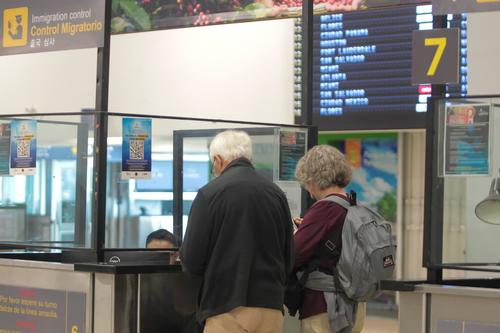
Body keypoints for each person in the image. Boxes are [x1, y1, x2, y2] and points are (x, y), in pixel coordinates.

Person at [180, 130, 293, 333]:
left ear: (218, 159)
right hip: (270, 306)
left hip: (225, 307)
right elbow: (288, 256)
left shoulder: (209, 194)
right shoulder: (276, 194)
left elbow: (191, 258)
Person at [293, 145, 360, 333]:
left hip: (326, 308)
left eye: (306, 181)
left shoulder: (324, 209)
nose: (307, 188)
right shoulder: (350, 204)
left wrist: (296, 236)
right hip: (353, 304)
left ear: (313, 178)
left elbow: (294, 254)